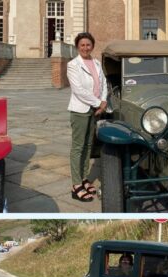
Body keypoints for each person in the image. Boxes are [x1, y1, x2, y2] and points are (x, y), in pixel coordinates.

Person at [67, 32, 107, 202]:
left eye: (88, 45)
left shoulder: (96, 62)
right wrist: (98, 102)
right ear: (78, 47)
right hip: (80, 110)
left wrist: (104, 100)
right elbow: (78, 90)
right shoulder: (73, 65)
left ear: (92, 46)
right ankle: (76, 184)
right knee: (78, 147)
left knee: (88, 145)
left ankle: (84, 178)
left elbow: (103, 83)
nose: (85, 48)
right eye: (82, 45)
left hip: (95, 110)